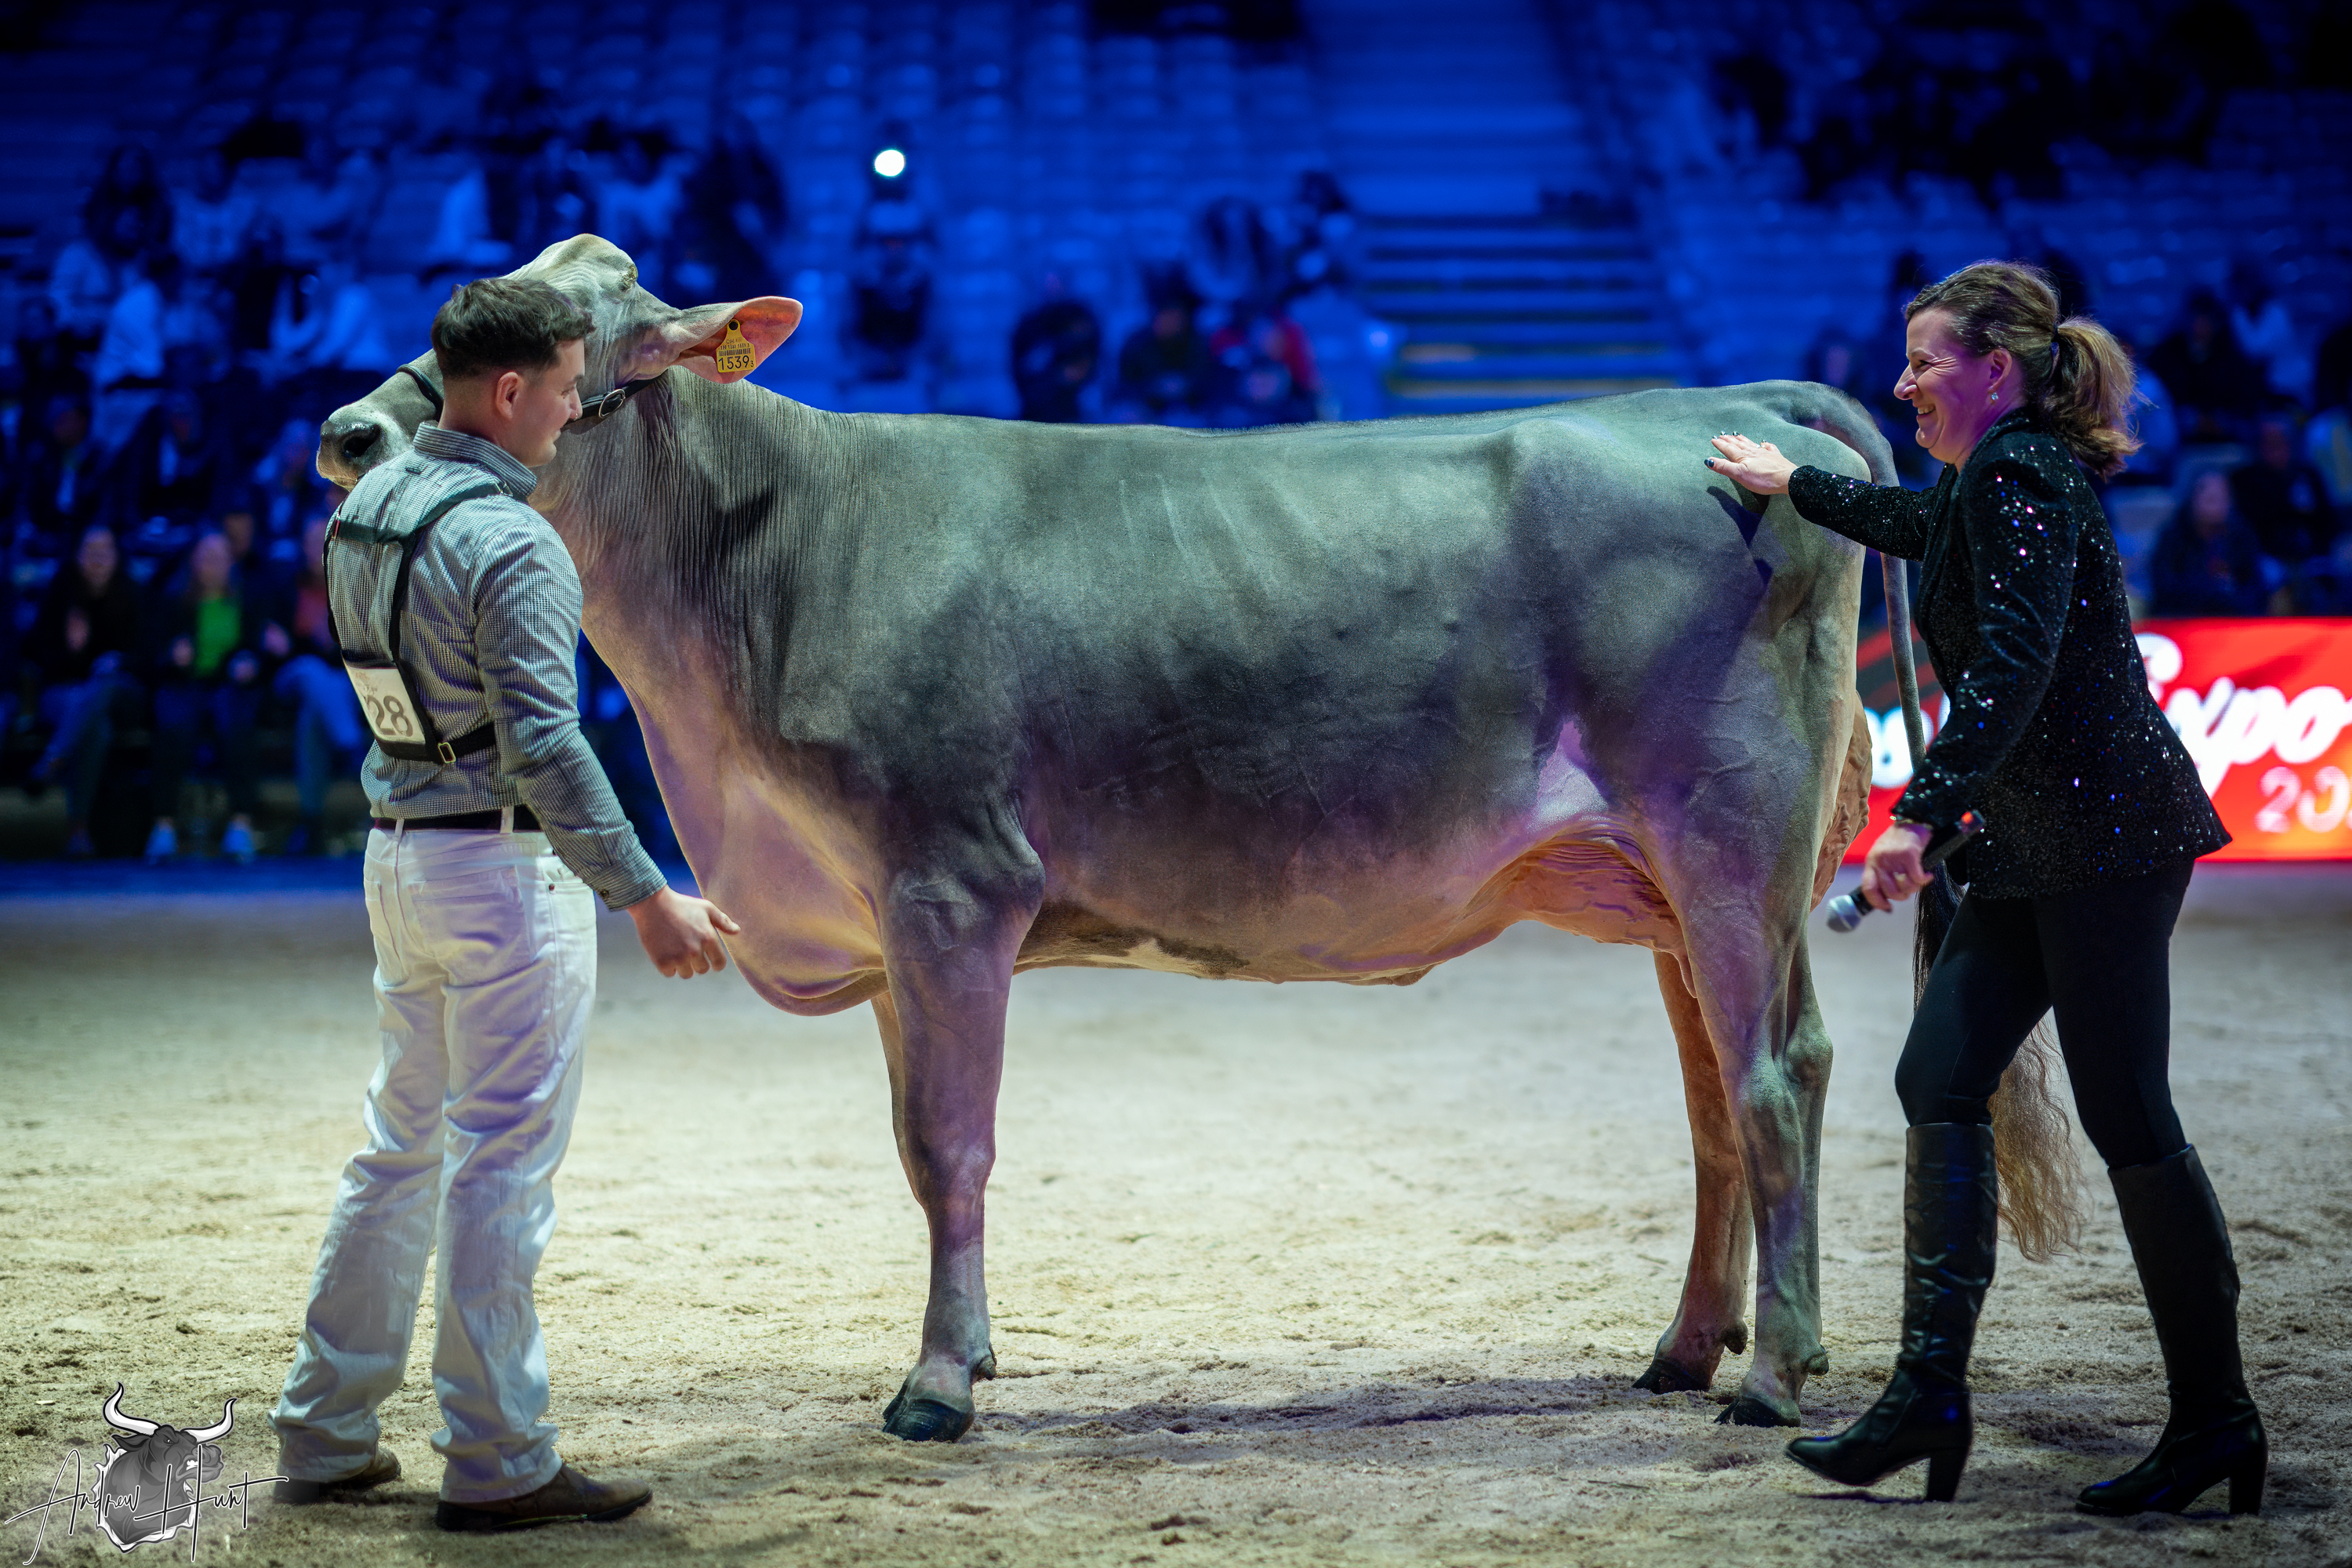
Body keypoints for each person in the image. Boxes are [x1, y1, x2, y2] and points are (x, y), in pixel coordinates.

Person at [1705, 261, 2260, 1516]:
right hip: (2036, 842)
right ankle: (1929, 1397)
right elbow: (1918, 526)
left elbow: (2015, 660)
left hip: (2107, 842)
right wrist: (1798, 484)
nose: (1903, 383)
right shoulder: (1988, 481)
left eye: (1924, 362)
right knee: (1939, 1077)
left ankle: (2219, 1421)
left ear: (1994, 371)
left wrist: (1923, 810)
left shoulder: (2021, 478)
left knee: (2131, 1118)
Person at [270, 275, 738, 1534]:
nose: (578, 411)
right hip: (497, 871)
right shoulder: (514, 540)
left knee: (396, 1150)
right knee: (501, 1167)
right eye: (570, 389)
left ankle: (325, 1428)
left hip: (398, 854)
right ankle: (497, 1457)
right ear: (512, 389)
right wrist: (646, 895)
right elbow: (546, 744)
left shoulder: (362, 511)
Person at [146, 528, 272, 863]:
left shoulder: (248, 598)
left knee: (237, 725)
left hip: (230, 685)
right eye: (206, 558)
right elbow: (151, 652)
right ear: (194, 562)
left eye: (219, 558)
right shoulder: (173, 600)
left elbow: (258, 649)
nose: (213, 565)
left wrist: (250, 662)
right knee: (172, 725)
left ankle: (241, 824)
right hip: (184, 682)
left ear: (231, 562)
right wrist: (172, 655)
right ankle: (163, 826)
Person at [23, 523, 143, 857]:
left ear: (117, 556)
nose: (97, 559)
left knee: (103, 684)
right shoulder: (60, 593)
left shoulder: (132, 593)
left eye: (105, 551)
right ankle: (79, 831)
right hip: (66, 695)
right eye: (90, 551)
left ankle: (52, 761)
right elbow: (37, 657)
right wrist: (72, 652)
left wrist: (119, 660)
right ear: (77, 556)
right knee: (97, 729)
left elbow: (149, 656)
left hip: (121, 695)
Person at [2151, 470, 2272, 617]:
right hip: (2184, 618)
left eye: (2223, 497)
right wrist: (2210, 590)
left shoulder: (2242, 536)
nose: (2217, 505)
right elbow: (2165, 587)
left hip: (2235, 619)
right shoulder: (2174, 537)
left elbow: (2254, 587)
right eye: (2210, 499)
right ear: (2193, 499)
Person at [1010, 274, 1101, 423]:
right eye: (1048, 286)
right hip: (1035, 412)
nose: (1053, 291)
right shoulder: (1028, 326)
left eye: (1057, 284)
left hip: (1073, 411)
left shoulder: (1079, 318)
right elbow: (1020, 368)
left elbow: (1090, 358)